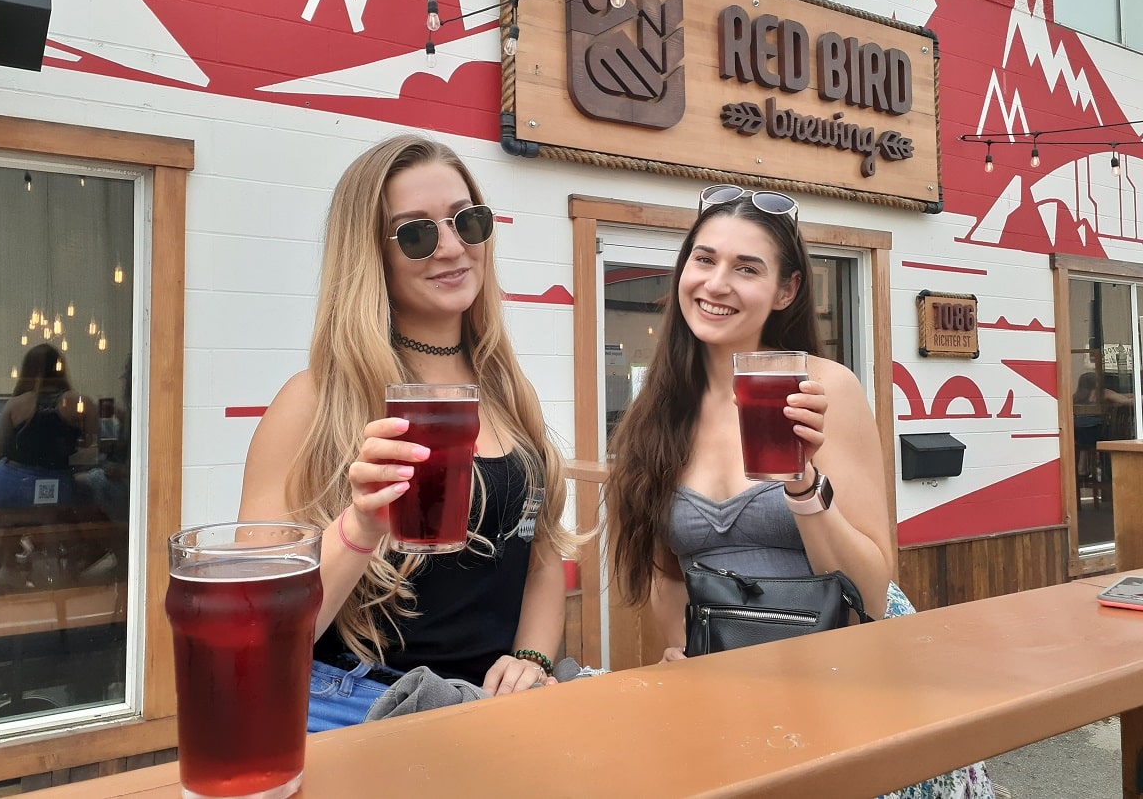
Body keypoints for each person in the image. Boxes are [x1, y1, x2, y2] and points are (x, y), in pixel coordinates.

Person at [603, 185, 992, 798]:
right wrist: (683, 653)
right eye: (703, 260)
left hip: (848, 678)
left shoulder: (825, 389)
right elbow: (668, 576)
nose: (716, 283)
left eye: (746, 268)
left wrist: (804, 487)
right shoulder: (658, 413)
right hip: (735, 689)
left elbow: (869, 586)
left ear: (785, 291)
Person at [239, 134, 577, 731]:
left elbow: (541, 554)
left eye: (466, 222)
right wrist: (360, 526)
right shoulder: (316, 400)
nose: (451, 248)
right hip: (363, 707)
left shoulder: (504, 387)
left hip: (489, 713)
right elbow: (259, 630)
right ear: (371, 254)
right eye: (416, 234)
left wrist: (529, 657)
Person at [0, 344, 98, 508]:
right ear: (60, 368)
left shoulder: (15, 404)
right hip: (52, 484)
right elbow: (95, 446)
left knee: (1, 518)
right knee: (58, 517)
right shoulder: (81, 403)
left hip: (8, 483)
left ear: (27, 371)